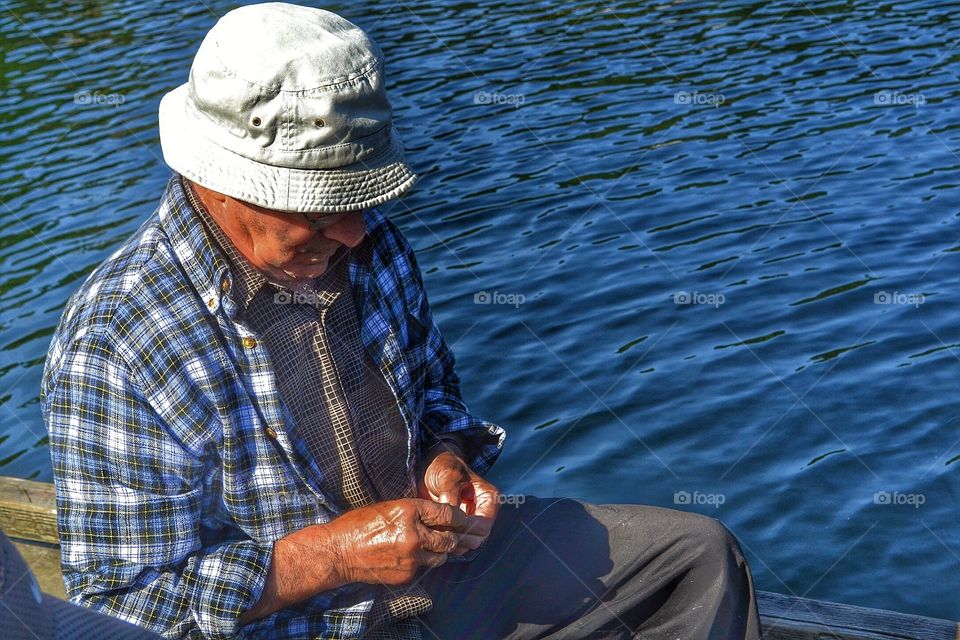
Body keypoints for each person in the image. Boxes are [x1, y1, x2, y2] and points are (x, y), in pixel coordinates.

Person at [40, 3, 762, 639]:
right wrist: (329, 556)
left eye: (360, 198)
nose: (355, 233)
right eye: (320, 207)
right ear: (219, 183)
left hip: (443, 579)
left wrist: (447, 459)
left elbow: (438, 392)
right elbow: (121, 608)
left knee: (695, 558)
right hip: (300, 625)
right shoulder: (117, 342)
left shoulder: (368, 241)